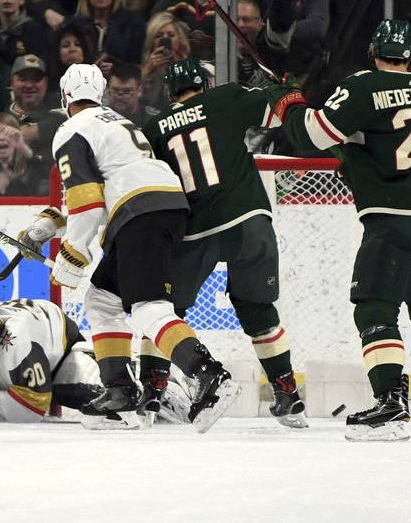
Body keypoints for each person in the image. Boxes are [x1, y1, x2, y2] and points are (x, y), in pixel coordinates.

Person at [263, 19, 411, 441]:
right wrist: (356, 156)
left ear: (373, 50)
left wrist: (288, 102)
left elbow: (311, 134)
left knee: (374, 306)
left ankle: (391, 405)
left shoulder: (362, 85)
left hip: (396, 217)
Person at [22, 62, 241, 432]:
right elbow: (101, 188)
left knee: (147, 308)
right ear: (101, 93)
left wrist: (73, 253)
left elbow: (89, 201)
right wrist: (50, 224)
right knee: (102, 300)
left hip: (139, 215)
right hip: (162, 207)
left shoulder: (70, 128)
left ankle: (209, 375)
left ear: (64, 95)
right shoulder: (117, 122)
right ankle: (120, 391)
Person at [141, 58, 307, 429]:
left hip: (194, 231)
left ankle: (152, 391)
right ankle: (286, 392)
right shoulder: (227, 98)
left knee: (161, 309)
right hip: (249, 220)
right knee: (257, 309)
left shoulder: (153, 128)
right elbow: (280, 111)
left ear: (169, 94)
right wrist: (286, 84)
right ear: (204, 83)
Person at [65, 0, 145, 74]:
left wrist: (117, 69)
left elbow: (139, 65)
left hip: (122, 85)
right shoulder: (72, 25)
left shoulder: (133, 23)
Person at [139, 12, 192, 112]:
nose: (165, 39)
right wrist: (146, 72)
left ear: (180, 40)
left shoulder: (192, 68)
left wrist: (182, 66)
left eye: (171, 35)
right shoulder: (142, 70)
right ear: (151, 41)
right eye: (159, 36)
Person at [106, 62, 156, 127]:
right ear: (108, 88)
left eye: (126, 91)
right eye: (115, 90)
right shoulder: (97, 117)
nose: (120, 97)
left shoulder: (154, 120)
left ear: (139, 91)